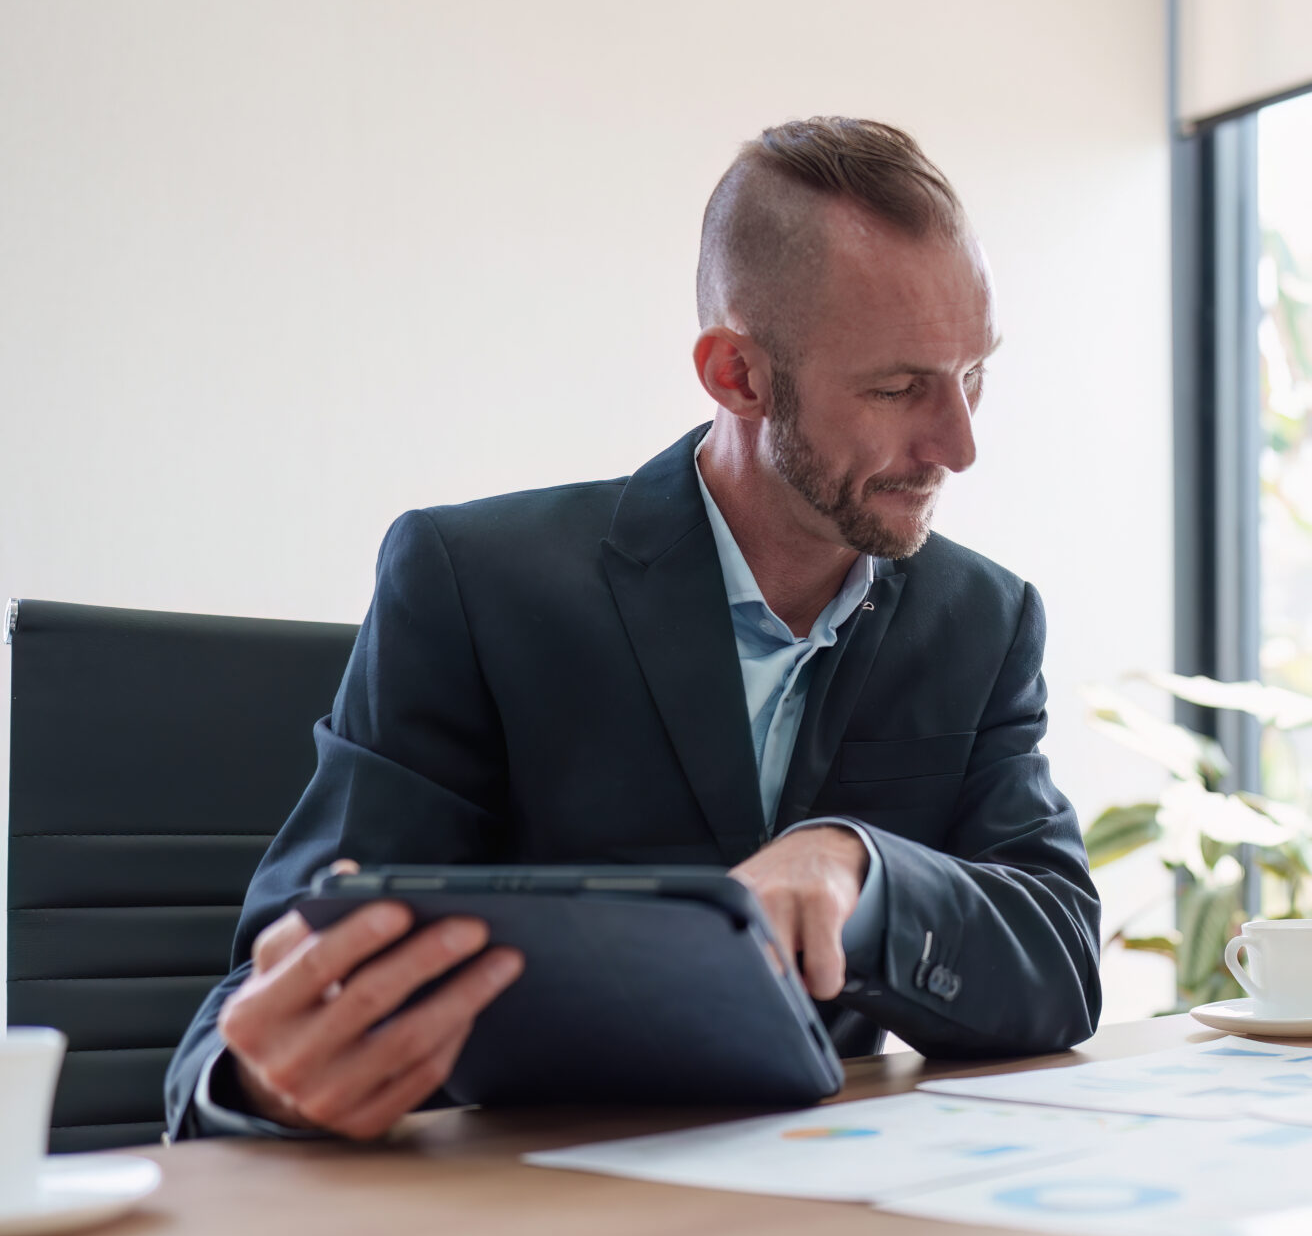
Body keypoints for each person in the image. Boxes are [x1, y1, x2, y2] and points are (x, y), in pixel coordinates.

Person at [162, 117, 1100, 1141]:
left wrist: (855, 867)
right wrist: (260, 1082)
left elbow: (1059, 959)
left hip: (830, 1206)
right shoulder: (472, 585)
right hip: (518, 1225)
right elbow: (265, 994)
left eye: (973, 376)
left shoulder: (982, 619)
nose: (958, 445)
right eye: (896, 388)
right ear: (737, 375)